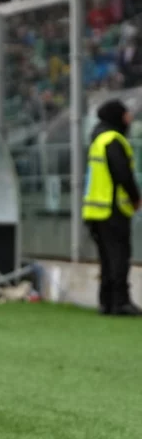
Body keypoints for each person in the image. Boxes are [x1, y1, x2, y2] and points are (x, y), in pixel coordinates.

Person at [82, 99, 141, 315]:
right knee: (119, 257)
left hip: (95, 209)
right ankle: (120, 302)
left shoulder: (98, 139)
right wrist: (135, 197)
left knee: (107, 258)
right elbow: (122, 173)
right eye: (126, 115)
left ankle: (106, 301)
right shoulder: (112, 140)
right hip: (111, 208)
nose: (129, 119)